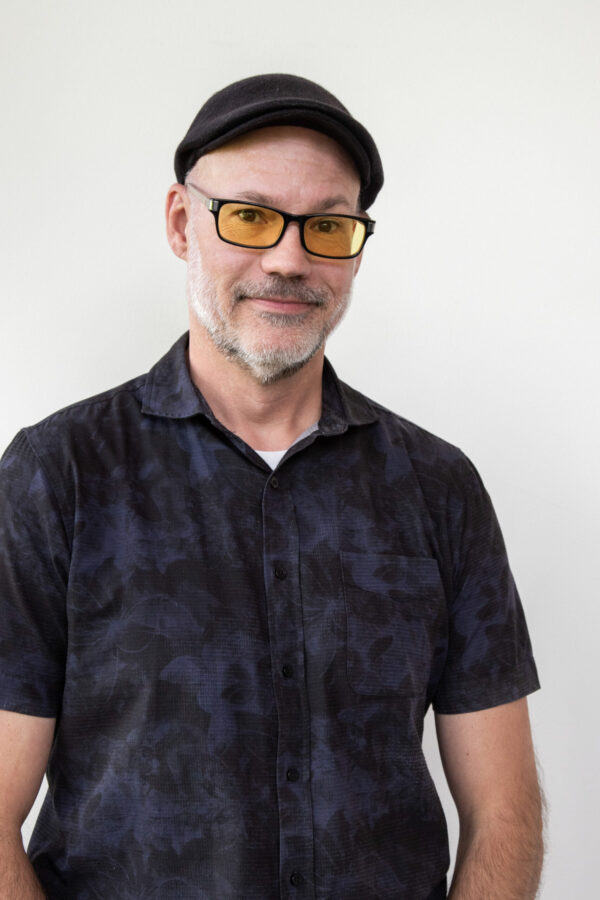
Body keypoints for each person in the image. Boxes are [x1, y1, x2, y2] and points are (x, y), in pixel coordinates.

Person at [0, 74, 543, 899]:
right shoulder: (57, 475)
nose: (289, 259)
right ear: (184, 223)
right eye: (250, 216)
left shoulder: (439, 490)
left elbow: (504, 812)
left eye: (327, 226)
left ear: (356, 245)